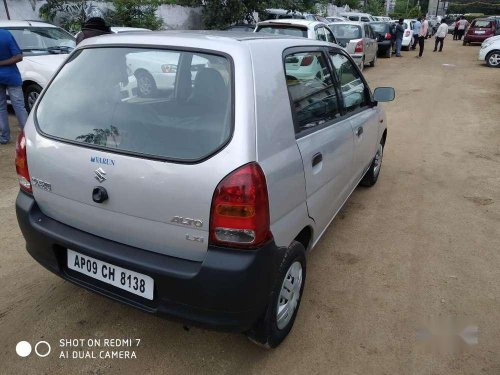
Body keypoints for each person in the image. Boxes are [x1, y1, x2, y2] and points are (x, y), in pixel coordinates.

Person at [0, 29, 28, 144]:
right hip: (12, 77)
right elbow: (19, 57)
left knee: (1, 107)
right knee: (19, 106)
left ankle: (4, 137)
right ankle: (28, 136)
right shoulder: (6, 34)